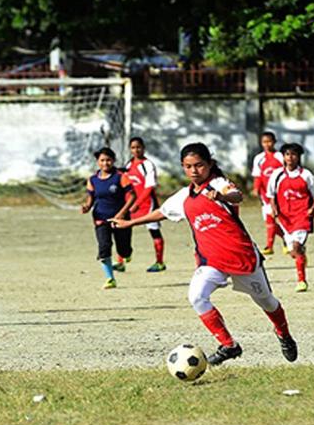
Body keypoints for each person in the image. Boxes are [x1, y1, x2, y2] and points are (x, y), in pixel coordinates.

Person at [109, 142, 297, 366]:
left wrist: (221, 197)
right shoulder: (184, 196)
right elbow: (162, 212)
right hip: (211, 261)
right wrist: (129, 223)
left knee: (267, 302)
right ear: (183, 167)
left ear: (209, 164)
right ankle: (229, 345)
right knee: (196, 297)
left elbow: (236, 195)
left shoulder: (218, 183)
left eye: (199, 165)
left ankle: (283, 334)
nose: (194, 171)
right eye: (188, 166)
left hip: (241, 257)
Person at [266, 143, 314, 292]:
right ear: (283, 157)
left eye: (293, 154)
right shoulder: (277, 175)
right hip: (285, 218)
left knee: (296, 247)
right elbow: (271, 194)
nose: (290, 158)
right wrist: (274, 209)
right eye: (287, 154)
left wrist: (312, 209)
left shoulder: (306, 175)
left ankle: (302, 281)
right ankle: (300, 255)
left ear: (299, 157)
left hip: (302, 216)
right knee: (294, 253)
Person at [82, 147, 135, 289]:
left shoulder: (120, 177)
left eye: (108, 160)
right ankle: (110, 278)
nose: (105, 163)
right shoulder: (93, 180)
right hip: (101, 218)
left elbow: (132, 196)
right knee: (104, 247)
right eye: (102, 160)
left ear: (113, 160)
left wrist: (122, 213)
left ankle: (126, 254)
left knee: (123, 250)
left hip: (120, 219)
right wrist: (86, 207)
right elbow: (91, 198)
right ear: (98, 162)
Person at [124, 137, 166, 272]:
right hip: (130, 203)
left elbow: (149, 187)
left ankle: (159, 262)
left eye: (138, 147)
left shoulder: (147, 165)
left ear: (143, 148)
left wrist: (138, 203)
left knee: (154, 231)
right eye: (133, 147)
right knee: (123, 229)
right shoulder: (128, 165)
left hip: (147, 203)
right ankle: (121, 260)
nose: (136, 150)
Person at [251, 131, 285, 255]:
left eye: (269, 141)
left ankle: (270, 246)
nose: (267, 144)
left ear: (274, 142)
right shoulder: (259, 158)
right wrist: (256, 188)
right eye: (264, 142)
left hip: (279, 193)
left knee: (273, 219)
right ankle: (285, 239)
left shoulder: (280, 156)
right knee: (269, 220)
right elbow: (258, 175)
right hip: (265, 194)